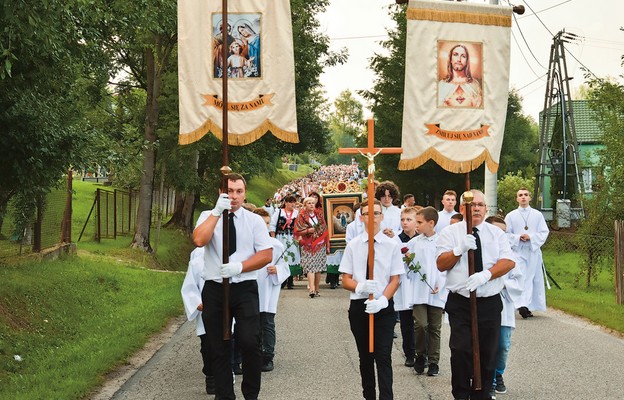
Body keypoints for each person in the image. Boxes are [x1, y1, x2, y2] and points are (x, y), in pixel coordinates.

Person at [193, 173, 273, 400]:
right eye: (230, 191)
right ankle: (225, 395)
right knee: (217, 346)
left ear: (245, 193)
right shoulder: (208, 216)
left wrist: (240, 266)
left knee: (250, 341)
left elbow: (266, 254)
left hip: (244, 286)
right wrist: (217, 213)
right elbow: (199, 240)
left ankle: (251, 394)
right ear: (220, 193)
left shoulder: (254, 220)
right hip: (215, 287)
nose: (235, 196)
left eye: (239, 191)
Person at [436, 189, 515, 400]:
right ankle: (461, 394)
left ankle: (482, 394)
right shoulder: (449, 233)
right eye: (472, 205)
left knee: (489, 353)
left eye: (480, 205)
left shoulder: (495, 233)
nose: (477, 208)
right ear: (462, 209)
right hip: (460, 302)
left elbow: (508, 261)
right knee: (461, 350)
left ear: (486, 208)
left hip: (489, 301)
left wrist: (486, 275)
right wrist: (458, 250)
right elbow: (441, 264)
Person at [339, 199, 404, 400]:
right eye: (367, 213)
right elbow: (345, 279)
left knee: (383, 356)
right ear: (361, 217)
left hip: (383, 306)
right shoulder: (354, 245)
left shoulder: (392, 245)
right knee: (365, 357)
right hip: (360, 305)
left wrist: (384, 300)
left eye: (376, 213)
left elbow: (395, 279)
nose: (372, 217)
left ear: (382, 216)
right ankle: (369, 396)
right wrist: (360, 286)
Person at [485, 215, 524, 398]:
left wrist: (502, 285)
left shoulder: (511, 255)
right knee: (487, 344)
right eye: (497, 231)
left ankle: (498, 373)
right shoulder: (481, 252)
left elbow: (519, 280)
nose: (501, 235)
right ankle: (489, 380)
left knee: (503, 344)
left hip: (504, 303)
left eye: (504, 232)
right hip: (485, 303)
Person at [407, 206, 445, 377]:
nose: (416, 225)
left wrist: (441, 283)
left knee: (435, 328)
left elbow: (445, 266)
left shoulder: (441, 241)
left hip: (437, 290)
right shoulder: (415, 242)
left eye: (420, 222)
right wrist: (408, 262)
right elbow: (406, 262)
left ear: (431, 223)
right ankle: (420, 354)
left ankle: (434, 361)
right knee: (421, 325)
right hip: (420, 290)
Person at [252, 208, 291, 372]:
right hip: (250, 289)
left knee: (267, 322)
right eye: (262, 223)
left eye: (268, 223)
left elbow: (285, 267)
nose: (265, 226)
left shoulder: (275, 245)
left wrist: (277, 269)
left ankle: (267, 355)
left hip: (268, 289)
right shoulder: (246, 244)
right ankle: (251, 354)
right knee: (250, 324)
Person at [504, 187, 549, 319]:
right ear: (517, 198)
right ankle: (521, 304)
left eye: (525, 195)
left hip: (532, 250)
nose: (523, 197)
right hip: (518, 251)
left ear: (529, 197)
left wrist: (531, 237)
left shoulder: (537, 215)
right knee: (521, 276)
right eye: (520, 195)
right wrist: (518, 238)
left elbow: (544, 232)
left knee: (532, 278)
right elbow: (505, 233)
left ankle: (528, 305)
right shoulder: (511, 216)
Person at [180, 247, 214, 395]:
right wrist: (196, 302)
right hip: (206, 311)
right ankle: (211, 376)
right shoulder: (197, 262)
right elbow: (189, 286)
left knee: (228, 343)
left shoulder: (231, 259)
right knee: (207, 346)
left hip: (226, 311)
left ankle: (223, 376)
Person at [394, 206, 419, 368]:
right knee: (406, 321)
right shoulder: (396, 239)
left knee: (421, 322)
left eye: (409, 219)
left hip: (418, 282)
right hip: (403, 284)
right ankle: (409, 353)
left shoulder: (422, 239)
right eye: (402, 219)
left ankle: (421, 351)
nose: (405, 223)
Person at [293, 196, 329, 298]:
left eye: (313, 203)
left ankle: (317, 289)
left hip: (319, 244)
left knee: (318, 268)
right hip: (307, 244)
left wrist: (327, 244)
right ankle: (311, 289)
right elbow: (297, 230)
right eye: (309, 203)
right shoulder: (301, 216)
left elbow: (325, 228)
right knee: (309, 267)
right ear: (305, 205)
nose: (311, 205)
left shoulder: (319, 215)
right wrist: (308, 231)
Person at [438, 44, 483, 108]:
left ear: (467, 61)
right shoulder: (441, 85)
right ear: (450, 59)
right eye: (455, 54)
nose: (459, 59)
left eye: (463, 56)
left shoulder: (475, 84)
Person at [269, 195, 299, 290]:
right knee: (281, 256)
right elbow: (273, 225)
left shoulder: (297, 213)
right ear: (285, 203)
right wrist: (273, 239)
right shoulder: (278, 212)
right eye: (290, 202)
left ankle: (290, 280)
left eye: (294, 202)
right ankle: (282, 279)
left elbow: (300, 226)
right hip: (281, 237)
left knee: (291, 256)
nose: (292, 204)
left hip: (292, 237)